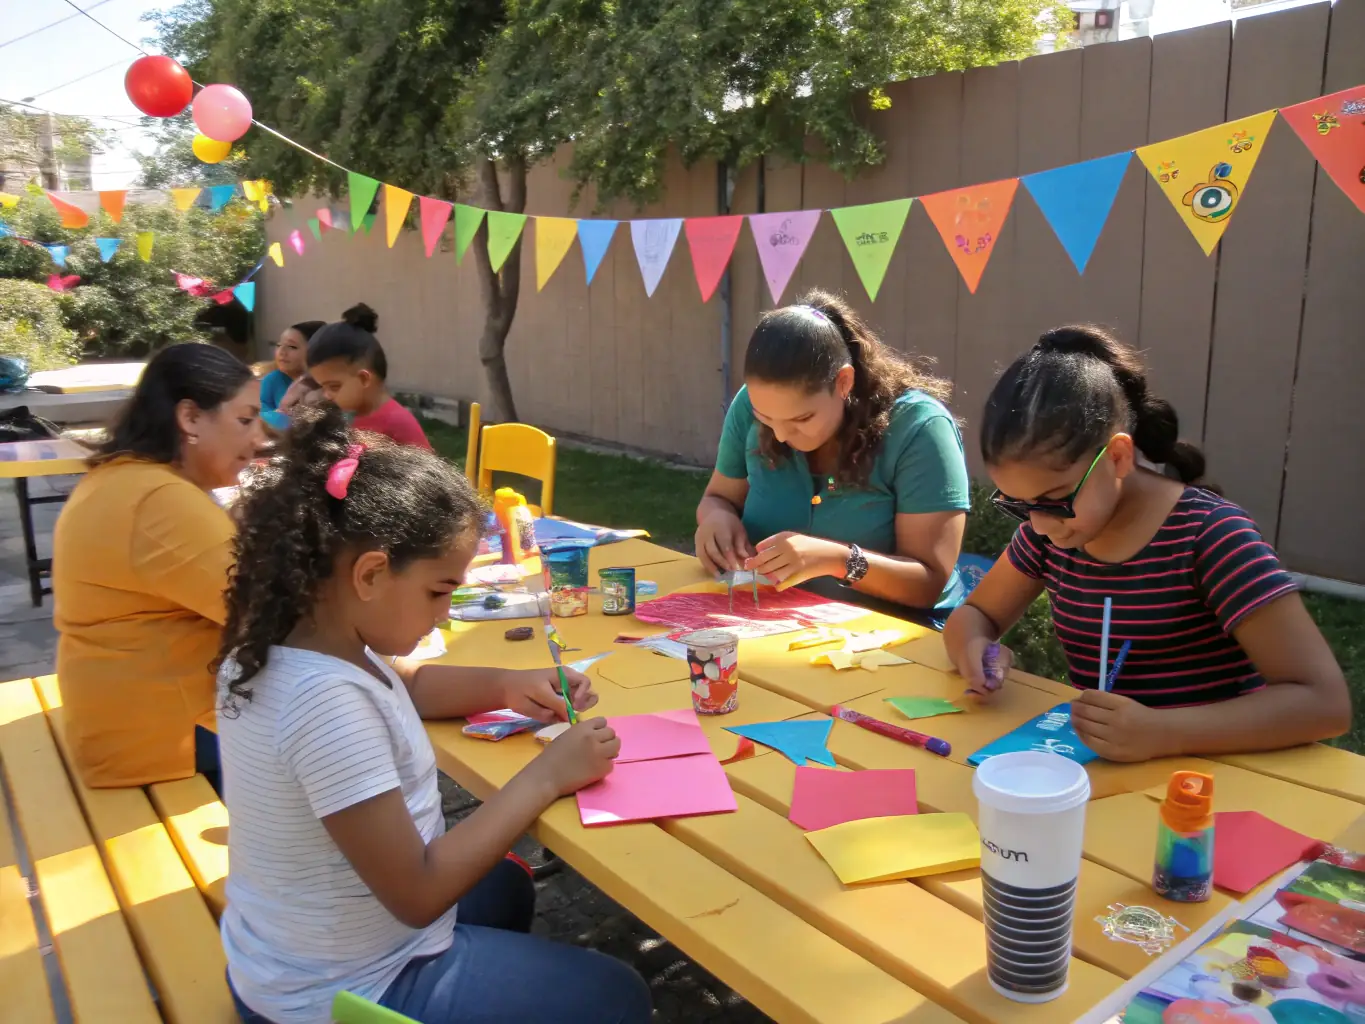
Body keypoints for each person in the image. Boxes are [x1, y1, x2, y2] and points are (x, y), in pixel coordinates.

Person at [216, 403, 652, 1024]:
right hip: (340, 997)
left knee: (503, 885)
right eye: (439, 592)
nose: (446, 615)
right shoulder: (326, 707)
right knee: (616, 994)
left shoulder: (289, 645)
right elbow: (417, 894)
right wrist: (549, 775)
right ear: (369, 574)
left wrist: (506, 683)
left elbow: (408, 687)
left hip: (292, 954)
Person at [943, 325, 1350, 763]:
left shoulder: (1210, 538)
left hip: (1214, 780)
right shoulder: (1054, 536)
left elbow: (1323, 704)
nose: (1039, 525)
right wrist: (975, 648)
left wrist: (1165, 732)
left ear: (1117, 456)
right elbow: (975, 614)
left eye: (1055, 501)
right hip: (1108, 774)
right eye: (1019, 505)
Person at [53, 343, 263, 789]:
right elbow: (273, 614)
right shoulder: (159, 499)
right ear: (189, 418)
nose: (258, 438)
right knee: (346, 726)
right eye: (245, 420)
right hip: (164, 735)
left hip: (129, 713)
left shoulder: (129, 477)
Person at [695, 290, 971, 615]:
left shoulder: (920, 429)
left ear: (843, 382)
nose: (781, 434)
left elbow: (927, 582)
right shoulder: (749, 404)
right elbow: (718, 498)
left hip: (897, 640)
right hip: (775, 620)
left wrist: (835, 560)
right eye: (766, 419)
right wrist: (716, 518)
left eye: (802, 419)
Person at [306, 303, 431, 449]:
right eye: (322, 386)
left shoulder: (397, 422)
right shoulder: (354, 416)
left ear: (364, 379)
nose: (327, 395)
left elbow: (427, 470)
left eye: (334, 386)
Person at [260, 320, 325, 430]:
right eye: (279, 345)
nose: (281, 352)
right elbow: (260, 419)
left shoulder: (325, 385)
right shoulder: (272, 380)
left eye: (292, 347)